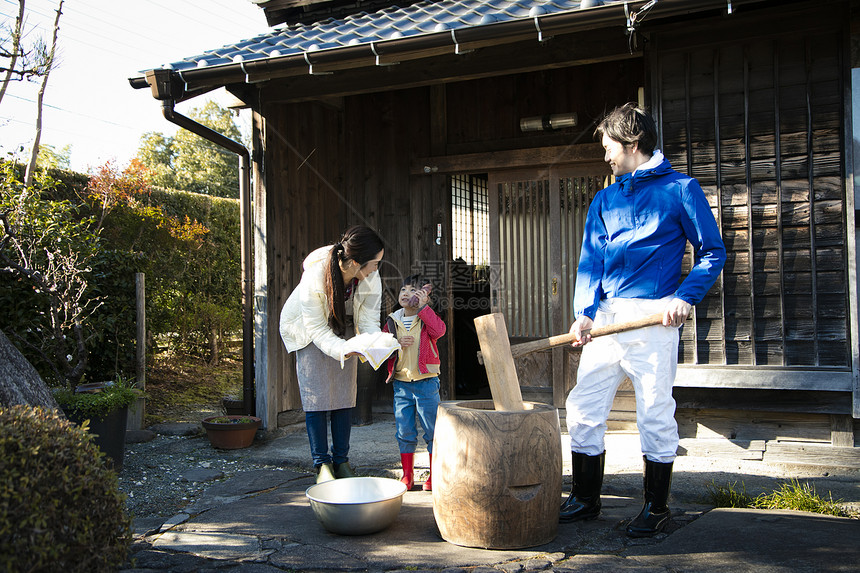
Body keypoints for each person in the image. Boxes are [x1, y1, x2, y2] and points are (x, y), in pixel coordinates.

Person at [561, 103, 726, 537]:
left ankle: (656, 508)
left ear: (632, 143)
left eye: (609, 146)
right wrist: (583, 314)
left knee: (654, 411)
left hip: (655, 318)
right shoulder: (605, 198)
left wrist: (684, 297)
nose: (605, 156)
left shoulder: (681, 189)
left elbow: (713, 252)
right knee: (583, 406)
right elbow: (590, 263)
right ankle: (585, 498)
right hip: (606, 320)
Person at [279, 225, 385, 483]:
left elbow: (370, 319)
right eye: (375, 263)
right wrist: (341, 349)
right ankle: (321, 465)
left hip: (343, 325)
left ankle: (342, 461)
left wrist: (376, 342)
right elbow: (315, 327)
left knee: (343, 396)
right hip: (308, 330)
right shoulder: (316, 275)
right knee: (316, 397)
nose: (377, 269)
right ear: (356, 262)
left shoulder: (370, 276)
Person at [382, 275, 446, 491]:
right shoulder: (392, 320)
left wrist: (424, 308)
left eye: (413, 290)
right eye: (403, 290)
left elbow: (440, 331)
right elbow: (381, 345)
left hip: (426, 383)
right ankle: (407, 475)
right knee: (404, 430)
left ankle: (433, 475)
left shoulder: (426, 318)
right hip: (401, 384)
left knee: (432, 430)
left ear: (425, 296)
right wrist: (395, 343)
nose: (406, 293)